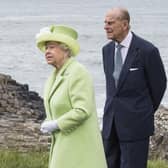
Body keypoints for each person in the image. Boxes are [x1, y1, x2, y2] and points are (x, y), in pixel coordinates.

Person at [102, 7, 167, 168]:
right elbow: (113, 89)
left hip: (136, 125)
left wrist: (141, 110)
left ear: (125, 24)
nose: (106, 26)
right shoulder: (106, 50)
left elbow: (159, 85)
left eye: (110, 22)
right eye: (105, 22)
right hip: (111, 124)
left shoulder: (147, 50)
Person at [35, 25, 107, 168]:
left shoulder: (78, 72)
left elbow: (82, 110)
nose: (47, 51)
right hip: (64, 146)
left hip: (80, 148)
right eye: (46, 48)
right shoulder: (54, 76)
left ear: (66, 49)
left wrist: (56, 124)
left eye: (51, 47)